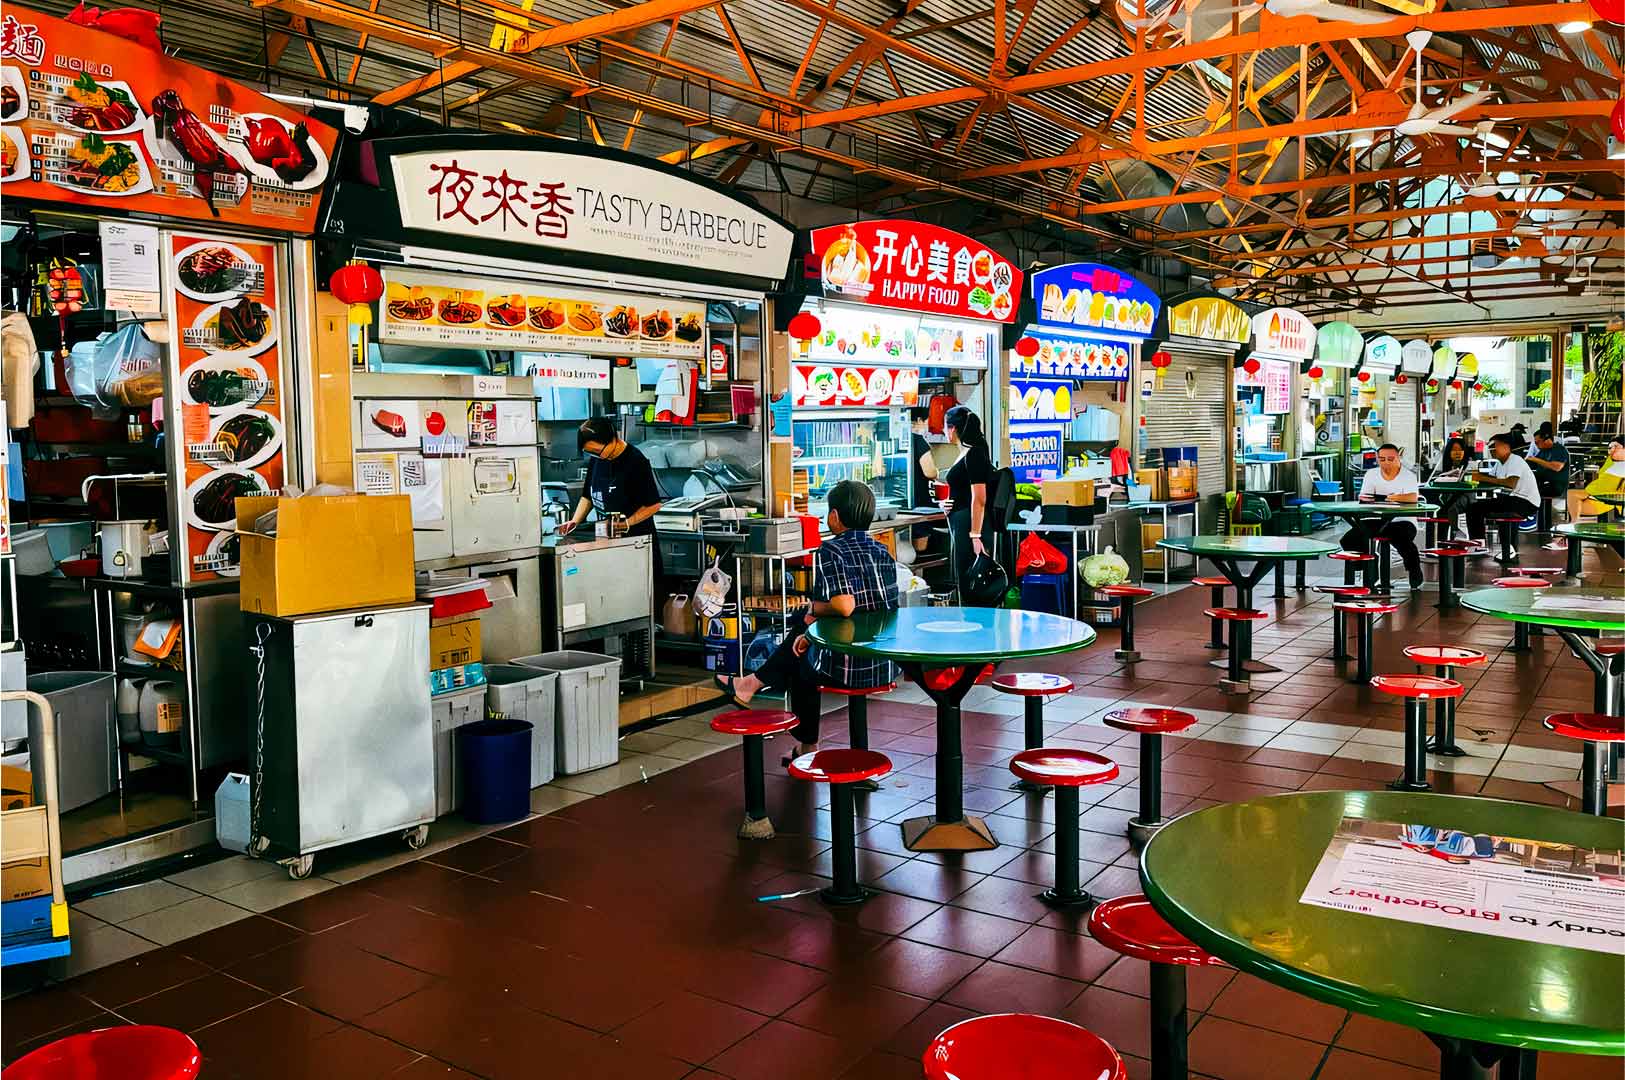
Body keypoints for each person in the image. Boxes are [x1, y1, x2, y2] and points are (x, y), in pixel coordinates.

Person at [714, 480, 898, 758]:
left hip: (851, 666)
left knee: (803, 663)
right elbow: (878, 608)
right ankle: (752, 684)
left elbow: (844, 606)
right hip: (883, 662)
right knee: (804, 635)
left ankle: (804, 742)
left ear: (835, 517)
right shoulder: (882, 551)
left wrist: (814, 611)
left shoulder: (830, 551)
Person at [560, 416, 665, 583]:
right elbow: (588, 495)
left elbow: (653, 505)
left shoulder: (635, 461)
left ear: (613, 439)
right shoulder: (597, 459)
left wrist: (627, 523)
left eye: (598, 451)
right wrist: (575, 521)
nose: (596, 456)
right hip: (607, 543)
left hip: (636, 545)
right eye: (590, 452)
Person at [1342, 443, 1423, 589]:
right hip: (1376, 520)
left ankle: (1414, 569)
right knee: (1348, 539)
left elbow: (1413, 497)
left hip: (1403, 521)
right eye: (1382, 459)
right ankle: (1369, 566)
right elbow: (1365, 497)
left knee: (1401, 538)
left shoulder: (1408, 476)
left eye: (1390, 459)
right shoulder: (1371, 474)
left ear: (1398, 458)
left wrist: (1393, 498)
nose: (1386, 462)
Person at [940, 405, 992, 595]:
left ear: (953, 429)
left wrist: (975, 536)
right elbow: (963, 492)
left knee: (971, 580)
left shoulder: (975, 453)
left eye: (945, 427)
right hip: (961, 521)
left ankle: (977, 622)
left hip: (970, 525)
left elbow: (979, 498)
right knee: (964, 579)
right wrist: (946, 503)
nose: (944, 431)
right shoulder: (967, 452)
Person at [1552, 440, 1625, 562]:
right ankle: (1570, 532)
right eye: (1610, 447)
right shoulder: (1610, 460)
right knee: (1573, 499)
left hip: (1604, 499)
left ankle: (1572, 526)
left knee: (1572, 494)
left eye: (1616, 447)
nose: (1611, 450)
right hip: (1591, 494)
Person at [1465, 432, 1541, 548]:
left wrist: (1482, 478)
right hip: (1513, 499)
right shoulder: (1500, 463)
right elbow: (1491, 479)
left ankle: (1478, 545)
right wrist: (1474, 475)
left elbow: (1511, 483)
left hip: (1526, 502)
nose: (1492, 449)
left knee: (1476, 509)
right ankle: (1478, 543)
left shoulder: (1515, 460)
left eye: (1496, 445)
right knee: (1474, 507)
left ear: (1506, 447)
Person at [908, 406, 939, 555]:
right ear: (920, 420)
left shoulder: (897, 439)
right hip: (920, 503)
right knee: (920, 549)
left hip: (902, 503)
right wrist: (938, 472)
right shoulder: (919, 441)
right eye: (927, 421)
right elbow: (930, 471)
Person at [1526, 425, 1570, 501]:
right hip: (1545, 482)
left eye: (1537, 442)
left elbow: (1557, 467)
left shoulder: (1559, 449)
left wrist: (1535, 459)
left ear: (1546, 440)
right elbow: (1532, 463)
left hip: (1556, 485)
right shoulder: (1543, 451)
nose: (1536, 445)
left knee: (1529, 492)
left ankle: (1538, 511)